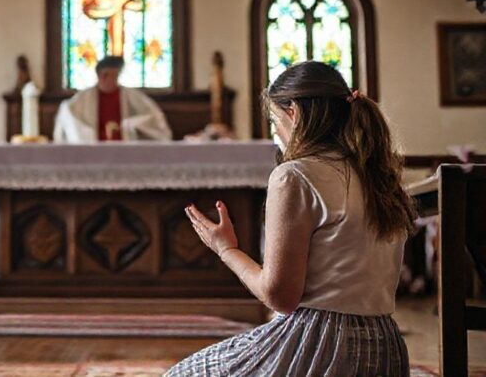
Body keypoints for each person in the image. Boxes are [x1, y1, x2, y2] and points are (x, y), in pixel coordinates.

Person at [168, 61, 416, 376]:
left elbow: (280, 297)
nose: (275, 132)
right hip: (385, 349)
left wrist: (226, 249)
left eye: (274, 120)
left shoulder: (295, 175)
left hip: (322, 346)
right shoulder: (378, 174)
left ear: (294, 113)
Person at [53, 56, 172, 142]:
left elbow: (152, 117)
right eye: (114, 75)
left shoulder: (133, 97)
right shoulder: (80, 101)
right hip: (93, 154)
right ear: (102, 76)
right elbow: (69, 120)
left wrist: (130, 125)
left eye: (117, 76)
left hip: (126, 154)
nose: (116, 80)